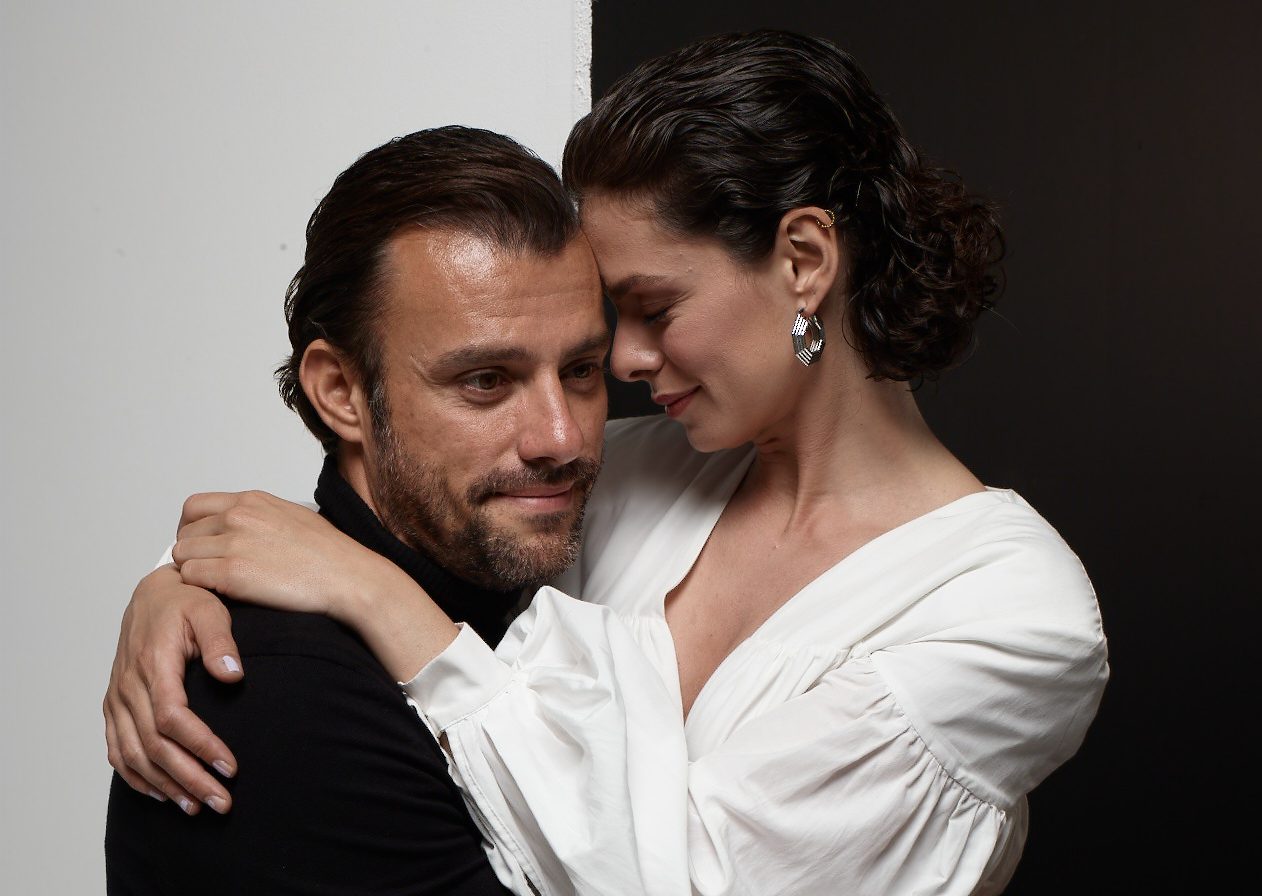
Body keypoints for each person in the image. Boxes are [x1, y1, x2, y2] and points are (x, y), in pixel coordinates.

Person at [106, 30, 1109, 896]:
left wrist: (377, 598)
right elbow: (400, 508)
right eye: (608, 325)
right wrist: (179, 584)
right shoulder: (629, 470)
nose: (620, 366)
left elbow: (687, 878)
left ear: (803, 261)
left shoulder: (1010, 607)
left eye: (652, 308)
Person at [104, 125, 611, 895]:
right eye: (485, 380)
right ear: (340, 392)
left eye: (582, 370)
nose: (561, 437)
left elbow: (792, 380)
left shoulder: (535, 581)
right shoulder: (282, 699)